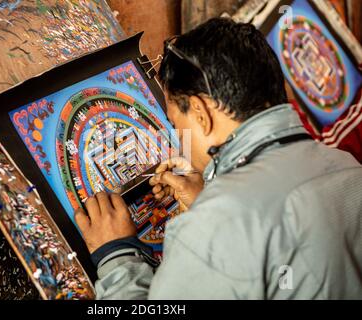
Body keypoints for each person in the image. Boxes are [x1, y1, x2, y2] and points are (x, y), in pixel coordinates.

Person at [74, 18, 362, 299]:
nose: (179, 139)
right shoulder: (346, 167)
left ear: (200, 113)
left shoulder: (215, 223)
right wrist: (210, 198)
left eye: (175, 124)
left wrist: (117, 254)